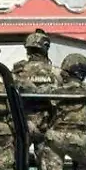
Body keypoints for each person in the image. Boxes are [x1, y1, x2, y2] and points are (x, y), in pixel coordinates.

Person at [12, 29, 62, 159]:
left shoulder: (18, 71)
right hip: (47, 126)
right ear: (45, 48)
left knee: (17, 164)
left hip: (22, 125)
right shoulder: (56, 73)